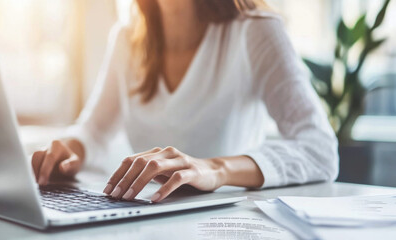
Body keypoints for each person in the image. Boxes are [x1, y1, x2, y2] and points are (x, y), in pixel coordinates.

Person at [31, 0, 339, 203]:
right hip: (145, 219)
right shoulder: (127, 39)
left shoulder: (255, 29)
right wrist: (69, 149)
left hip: (228, 224)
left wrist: (214, 169)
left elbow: (319, 149)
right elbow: (94, 131)